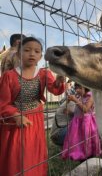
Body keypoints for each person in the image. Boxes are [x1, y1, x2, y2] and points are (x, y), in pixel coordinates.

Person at [0, 36, 65, 176]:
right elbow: (3, 103)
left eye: (36, 51)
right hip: (14, 123)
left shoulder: (43, 74)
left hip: (35, 120)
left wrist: (59, 82)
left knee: (33, 153)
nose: (32, 54)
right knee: (16, 156)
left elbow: (55, 89)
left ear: (41, 56)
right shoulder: (9, 76)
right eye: (27, 50)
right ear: (18, 53)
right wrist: (16, 115)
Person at [62, 83, 101, 161]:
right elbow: (79, 110)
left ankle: (89, 157)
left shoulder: (91, 97)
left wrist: (75, 100)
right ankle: (81, 157)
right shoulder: (80, 97)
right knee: (78, 142)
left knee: (87, 141)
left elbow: (86, 109)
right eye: (76, 88)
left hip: (87, 123)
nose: (77, 90)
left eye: (79, 88)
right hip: (78, 123)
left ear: (85, 87)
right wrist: (70, 111)